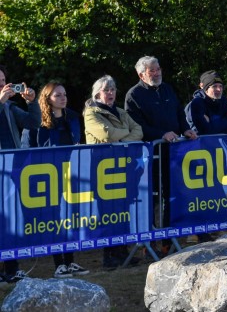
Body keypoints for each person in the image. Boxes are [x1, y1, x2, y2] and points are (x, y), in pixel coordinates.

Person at [125, 56, 196, 247]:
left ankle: (169, 241)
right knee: (153, 199)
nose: (157, 73)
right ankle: (149, 244)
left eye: (158, 69)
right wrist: (161, 134)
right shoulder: (134, 95)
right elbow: (137, 126)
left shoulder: (167, 88)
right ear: (141, 74)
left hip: (173, 154)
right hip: (150, 156)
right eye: (152, 71)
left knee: (172, 195)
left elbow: (179, 112)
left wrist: (185, 128)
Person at [83, 75, 143, 269]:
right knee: (107, 212)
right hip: (103, 169)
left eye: (113, 89)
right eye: (106, 90)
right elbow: (106, 134)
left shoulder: (119, 112)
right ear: (97, 93)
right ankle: (109, 256)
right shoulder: (91, 112)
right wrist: (125, 134)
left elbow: (139, 130)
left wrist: (121, 139)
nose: (111, 93)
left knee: (123, 210)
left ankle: (122, 253)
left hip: (124, 166)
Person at [32, 82, 90, 278]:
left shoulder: (72, 117)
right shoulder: (38, 120)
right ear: (48, 98)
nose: (63, 98)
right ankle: (59, 264)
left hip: (70, 172)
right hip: (48, 174)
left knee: (71, 217)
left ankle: (71, 261)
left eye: (64, 94)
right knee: (54, 219)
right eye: (58, 95)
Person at [0, 65, 38, 284]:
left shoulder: (10, 107)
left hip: (11, 168)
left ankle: (12, 268)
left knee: (11, 220)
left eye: (4, 80)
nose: (3, 85)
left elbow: (32, 123)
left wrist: (31, 102)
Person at [186, 71, 227, 135]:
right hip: (200, 144)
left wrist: (211, 122)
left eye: (220, 86)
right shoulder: (197, 103)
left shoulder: (223, 100)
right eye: (214, 86)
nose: (219, 89)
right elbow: (205, 131)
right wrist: (225, 121)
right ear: (205, 88)